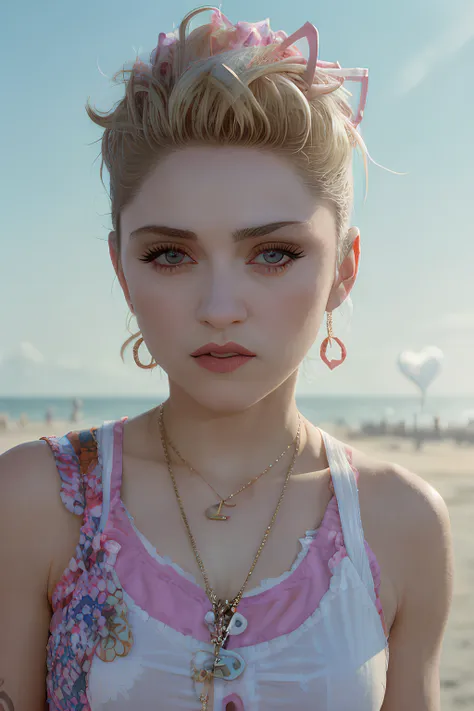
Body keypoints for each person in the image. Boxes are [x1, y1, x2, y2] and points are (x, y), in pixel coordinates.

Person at [0, 6, 454, 711]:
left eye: (273, 253)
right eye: (169, 254)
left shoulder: (402, 524)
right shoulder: (35, 500)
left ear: (344, 269)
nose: (218, 305)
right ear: (122, 270)